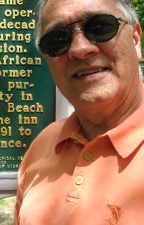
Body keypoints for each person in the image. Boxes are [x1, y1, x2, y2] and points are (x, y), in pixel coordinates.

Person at [15, 0, 143, 224]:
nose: (79, 49)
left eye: (100, 27)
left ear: (135, 40)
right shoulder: (41, 147)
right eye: (58, 40)